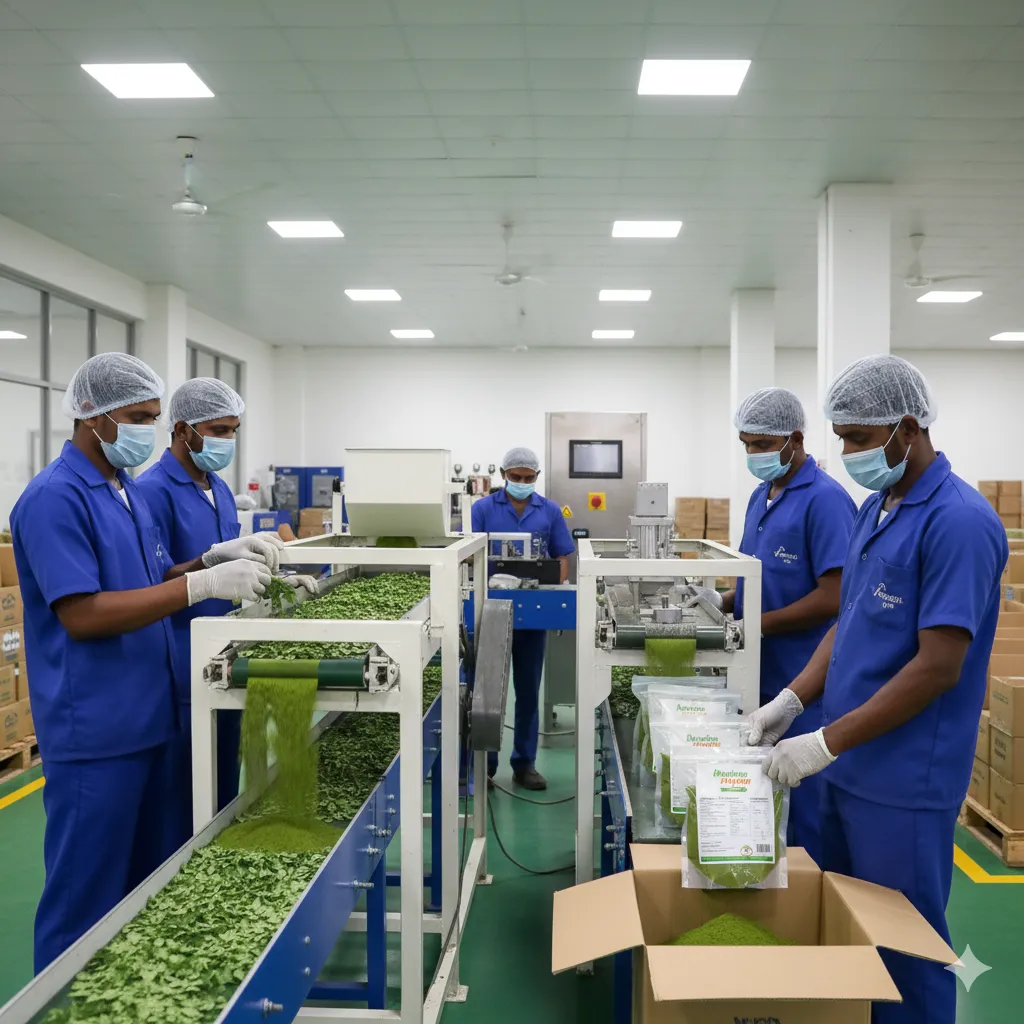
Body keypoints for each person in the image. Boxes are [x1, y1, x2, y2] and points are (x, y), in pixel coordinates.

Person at [748, 356, 1006, 1024]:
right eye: (841, 438)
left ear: (908, 427)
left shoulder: (960, 522)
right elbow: (848, 619)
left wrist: (824, 743)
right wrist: (794, 702)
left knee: (905, 952)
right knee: (845, 936)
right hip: (846, 768)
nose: (847, 453)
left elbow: (938, 665)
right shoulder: (876, 509)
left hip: (904, 782)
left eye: (859, 439)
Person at [11, 353, 279, 972]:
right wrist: (197, 590)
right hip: (96, 731)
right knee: (84, 897)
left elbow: (151, 577)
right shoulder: (54, 498)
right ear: (91, 415)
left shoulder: (124, 488)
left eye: (154, 419)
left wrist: (210, 562)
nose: (147, 431)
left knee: (146, 885)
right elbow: (81, 613)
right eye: (137, 417)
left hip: (150, 715)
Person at [136, 378, 315, 849]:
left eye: (234, 430)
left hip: (229, 659)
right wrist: (209, 568)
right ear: (183, 430)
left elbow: (236, 569)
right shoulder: (152, 491)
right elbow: (151, 581)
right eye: (219, 430)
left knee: (221, 799)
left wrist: (276, 588)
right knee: (182, 806)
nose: (227, 441)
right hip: (177, 666)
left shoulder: (215, 484)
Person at [717, 387, 856, 865]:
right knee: (767, 807)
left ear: (794, 439)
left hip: (805, 683)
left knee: (806, 813)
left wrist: (754, 626)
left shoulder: (826, 501)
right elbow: (760, 577)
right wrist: (722, 601)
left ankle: (811, 906)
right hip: (759, 676)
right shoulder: (762, 495)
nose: (752, 455)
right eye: (746, 445)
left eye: (760, 445)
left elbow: (834, 594)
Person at [470, 447, 574, 790]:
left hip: (532, 610)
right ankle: (485, 763)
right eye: (516, 478)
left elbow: (562, 558)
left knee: (528, 690)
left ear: (537, 478)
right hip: (490, 610)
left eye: (528, 479)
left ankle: (524, 764)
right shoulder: (482, 509)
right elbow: (469, 557)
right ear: (503, 475)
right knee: (486, 691)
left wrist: (551, 592)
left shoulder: (550, 511)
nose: (522, 483)